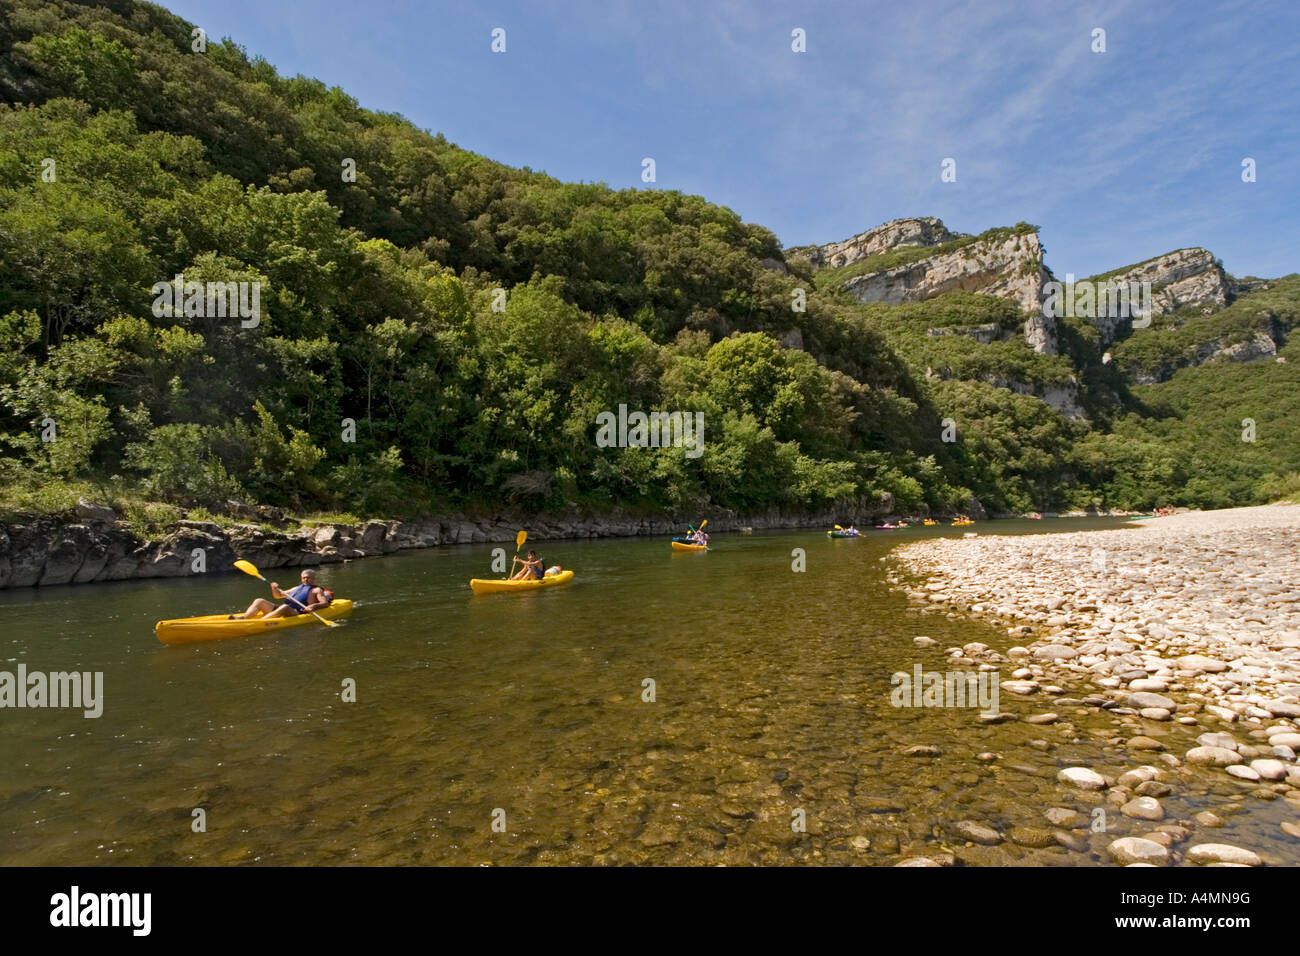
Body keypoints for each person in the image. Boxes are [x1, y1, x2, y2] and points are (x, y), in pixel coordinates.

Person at [234, 568, 330, 619]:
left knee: (285, 607)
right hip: (282, 610)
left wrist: (314, 606)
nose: (306, 579)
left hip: (296, 613)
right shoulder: (296, 588)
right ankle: (244, 618)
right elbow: (278, 596)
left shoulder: (317, 590)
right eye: (304, 577)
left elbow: (324, 603)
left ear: (313, 578)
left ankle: (261, 622)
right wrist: (274, 588)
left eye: (308, 577)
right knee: (259, 601)